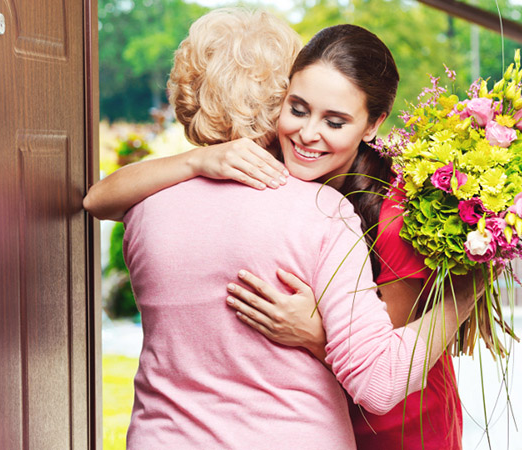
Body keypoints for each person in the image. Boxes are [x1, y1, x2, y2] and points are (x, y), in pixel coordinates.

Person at [83, 10, 471, 449]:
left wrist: (313, 333)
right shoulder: (321, 209)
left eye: (334, 120)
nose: (308, 133)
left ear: (374, 123)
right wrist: (467, 292)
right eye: (298, 108)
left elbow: (98, 200)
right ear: (279, 98)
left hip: (396, 432)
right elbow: (376, 375)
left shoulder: (145, 206)